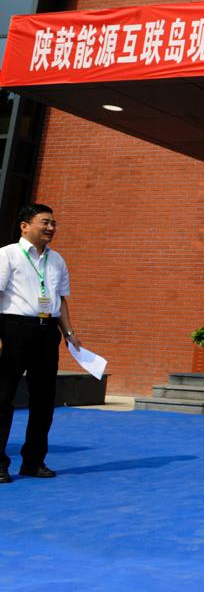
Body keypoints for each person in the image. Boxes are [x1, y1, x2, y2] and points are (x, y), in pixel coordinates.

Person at [0, 205, 82, 483]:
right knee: (2, 397)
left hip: (47, 331)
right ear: (25, 226)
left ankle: (34, 461)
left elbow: (60, 299)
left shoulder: (57, 259)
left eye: (53, 223)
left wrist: (69, 332)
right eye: (45, 222)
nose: (51, 228)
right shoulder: (7, 254)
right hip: (13, 328)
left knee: (44, 400)